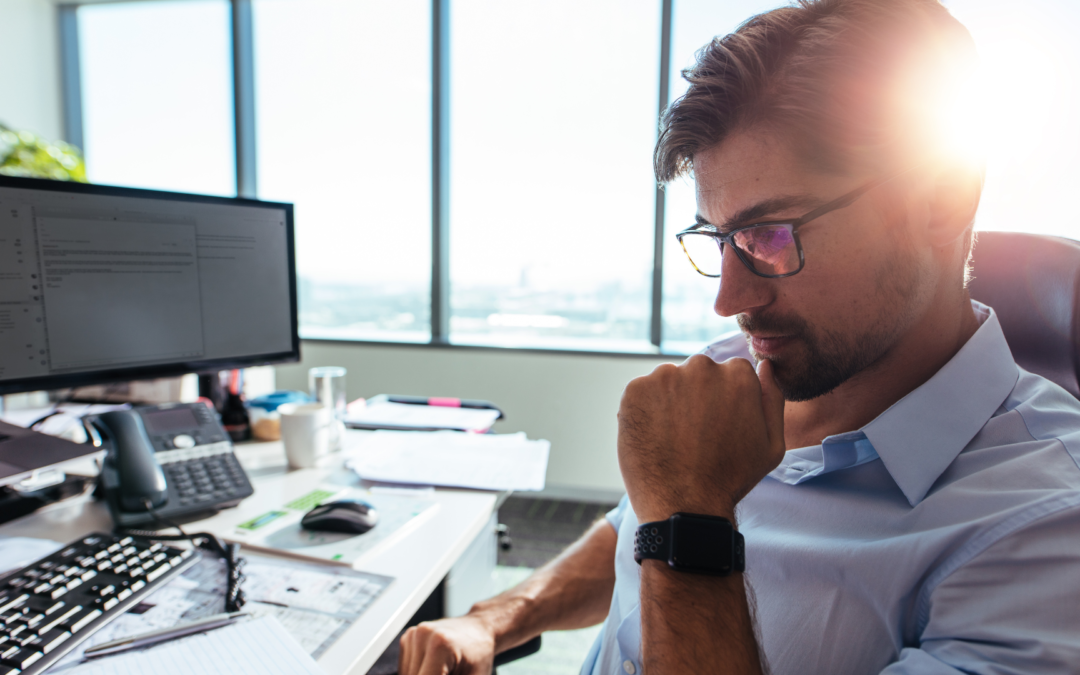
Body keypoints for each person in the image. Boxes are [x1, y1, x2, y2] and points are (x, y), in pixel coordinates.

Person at [398, 0, 1080, 672]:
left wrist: (690, 525)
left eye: (771, 235)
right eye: (719, 239)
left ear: (941, 200)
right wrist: (499, 614)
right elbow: (629, 531)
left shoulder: (1043, 528)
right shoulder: (742, 369)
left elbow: (664, 529)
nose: (729, 300)